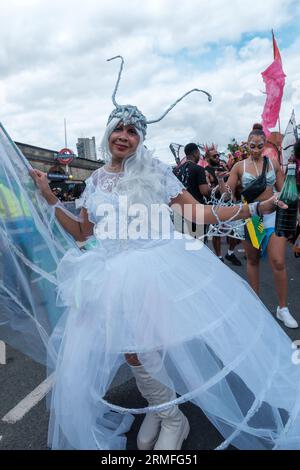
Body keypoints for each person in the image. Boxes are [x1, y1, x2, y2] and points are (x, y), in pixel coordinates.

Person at [5, 57, 300, 451]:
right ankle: (167, 413)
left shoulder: (156, 171)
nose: (124, 136)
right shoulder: (94, 179)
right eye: (119, 128)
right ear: (108, 131)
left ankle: (171, 417)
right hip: (108, 274)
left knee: (144, 348)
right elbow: (82, 231)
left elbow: (195, 212)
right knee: (134, 352)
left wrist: (254, 208)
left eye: (132, 131)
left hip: (154, 267)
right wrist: (47, 195)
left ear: (140, 139)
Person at [216, 123, 298, 329]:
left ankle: (282, 308)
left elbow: (283, 189)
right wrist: (220, 180)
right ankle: (256, 304)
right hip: (252, 218)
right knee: (253, 260)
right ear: (247, 144)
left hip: (272, 218)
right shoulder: (238, 167)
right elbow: (227, 194)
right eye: (252, 145)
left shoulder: (272, 164)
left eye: (259, 145)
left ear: (264, 145)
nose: (256, 148)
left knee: (278, 261)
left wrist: (293, 210)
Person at [205, 146, 242, 265]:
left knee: (235, 231)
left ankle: (230, 253)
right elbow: (208, 189)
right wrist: (218, 185)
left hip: (230, 203)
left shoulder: (224, 166)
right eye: (214, 156)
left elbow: (233, 180)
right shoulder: (206, 171)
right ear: (207, 158)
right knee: (217, 233)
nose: (217, 158)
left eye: (218, 155)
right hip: (217, 206)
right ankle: (219, 257)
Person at [173, 142, 210, 238]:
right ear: (196, 153)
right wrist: (210, 188)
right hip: (196, 212)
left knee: (183, 243)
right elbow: (204, 191)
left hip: (180, 212)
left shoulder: (175, 171)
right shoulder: (199, 169)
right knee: (199, 243)